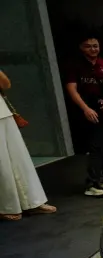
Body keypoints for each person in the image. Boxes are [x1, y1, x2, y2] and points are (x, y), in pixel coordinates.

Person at [65, 33, 103, 198]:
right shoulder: (75, 66)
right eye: (88, 46)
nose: (93, 49)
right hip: (83, 111)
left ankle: (92, 183)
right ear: (81, 48)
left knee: (95, 146)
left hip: (102, 112)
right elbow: (71, 89)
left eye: (95, 46)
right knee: (94, 146)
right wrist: (85, 109)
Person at [0, 70, 56, 220]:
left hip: (3, 113)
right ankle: (6, 207)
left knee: (20, 159)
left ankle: (33, 202)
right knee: (2, 163)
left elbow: (6, 84)